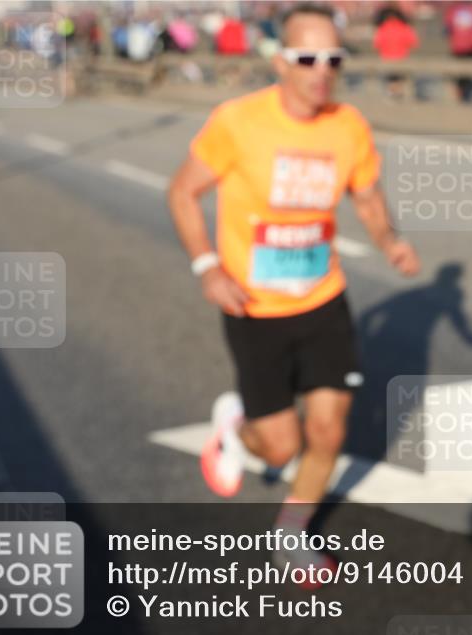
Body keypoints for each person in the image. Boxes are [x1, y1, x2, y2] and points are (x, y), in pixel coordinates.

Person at [167, 2, 421, 586]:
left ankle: (291, 533)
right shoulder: (238, 121)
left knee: (329, 430)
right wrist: (207, 267)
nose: (321, 70)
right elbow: (182, 192)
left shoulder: (348, 126)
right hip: (253, 308)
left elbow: (366, 195)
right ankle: (236, 428)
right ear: (280, 62)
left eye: (334, 58)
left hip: (323, 299)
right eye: (307, 57)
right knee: (280, 449)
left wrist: (391, 242)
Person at [372, 4, 419, 100]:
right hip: (402, 59)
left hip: (386, 60)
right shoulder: (405, 27)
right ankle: (397, 96)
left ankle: (392, 95)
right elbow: (414, 43)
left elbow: (376, 44)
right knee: (400, 81)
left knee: (391, 81)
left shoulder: (383, 27)